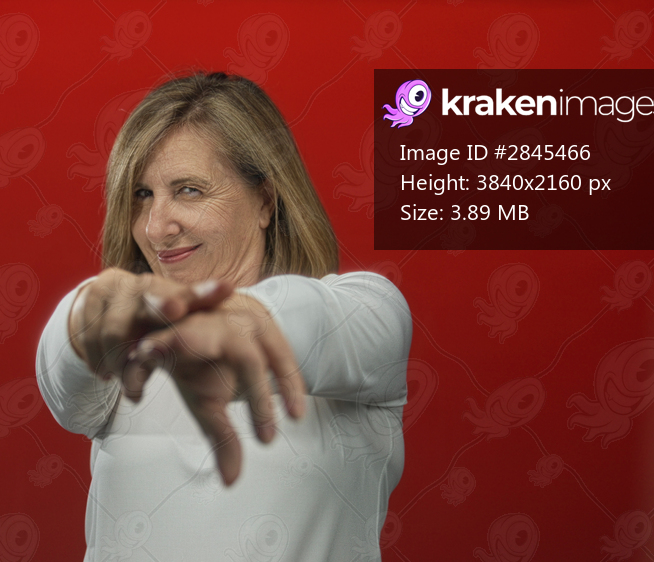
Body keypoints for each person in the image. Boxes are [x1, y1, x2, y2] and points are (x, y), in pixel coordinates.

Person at [36, 71, 412, 561]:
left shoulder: (366, 311)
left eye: (189, 190)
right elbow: (63, 376)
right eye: (142, 195)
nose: (156, 227)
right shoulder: (126, 346)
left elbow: (308, 325)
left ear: (266, 200)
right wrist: (88, 314)